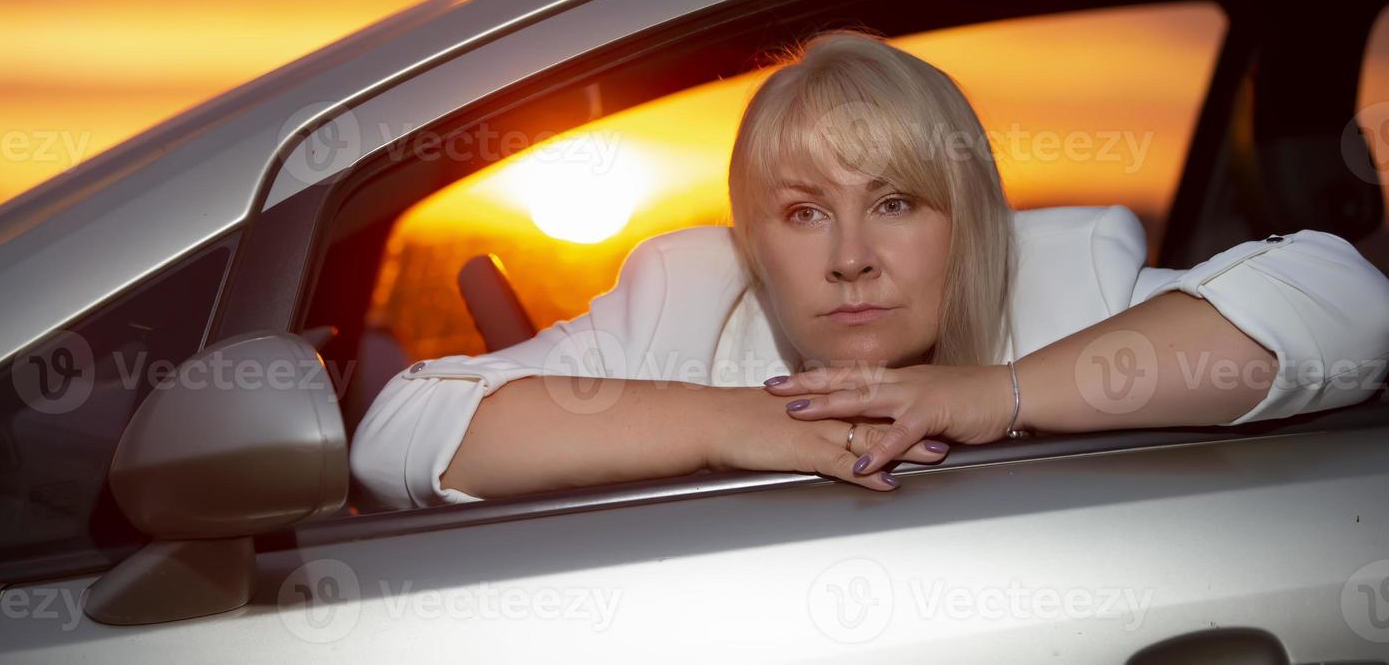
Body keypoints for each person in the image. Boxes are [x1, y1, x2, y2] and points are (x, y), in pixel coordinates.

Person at [350, 29, 1389, 510]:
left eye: (895, 203)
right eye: (803, 213)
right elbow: (400, 430)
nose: (851, 257)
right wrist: (734, 423)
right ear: (754, 240)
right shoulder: (687, 299)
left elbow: (1348, 307)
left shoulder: (1071, 282)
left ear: (969, 221)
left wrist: (1000, 392)